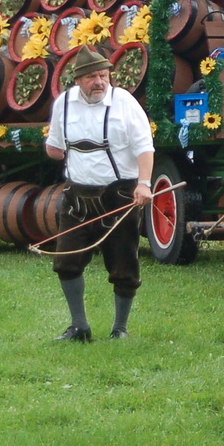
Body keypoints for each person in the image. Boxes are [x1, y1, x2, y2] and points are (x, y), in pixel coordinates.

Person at [43, 49, 155, 342]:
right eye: (92, 76)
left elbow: (145, 146)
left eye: (103, 75)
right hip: (77, 197)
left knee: (123, 264)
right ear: (78, 79)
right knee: (66, 261)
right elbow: (54, 148)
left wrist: (144, 183)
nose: (99, 82)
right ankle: (79, 326)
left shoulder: (124, 103)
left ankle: (120, 329)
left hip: (118, 196)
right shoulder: (64, 103)